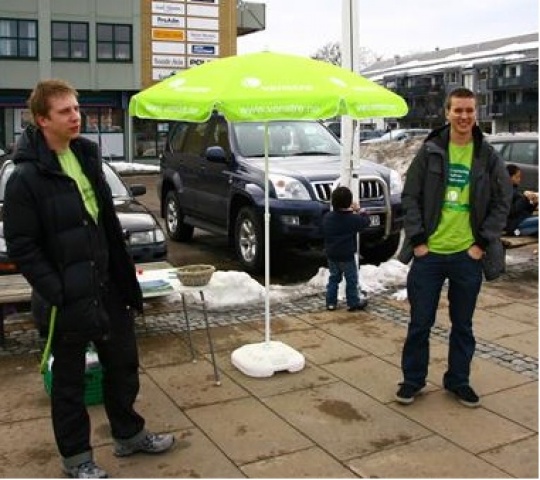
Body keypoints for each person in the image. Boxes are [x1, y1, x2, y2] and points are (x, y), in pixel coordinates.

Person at [3, 79, 174, 478]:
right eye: (65, 111)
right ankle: (78, 459)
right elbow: (21, 244)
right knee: (69, 385)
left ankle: (128, 435)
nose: (76, 116)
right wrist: (56, 290)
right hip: (66, 299)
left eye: (76, 108)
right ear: (43, 119)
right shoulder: (24, 177)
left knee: (123, 365)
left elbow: (106, 224)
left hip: (107, 286)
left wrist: (123, 277)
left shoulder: (86, 155)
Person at [395, 87, 512, 408]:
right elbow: (410, 197)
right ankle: (413, 380)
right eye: (457, 110)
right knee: (420, 322)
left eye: (469, 111)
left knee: (463, 324)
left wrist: (480, 243)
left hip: (466, 256)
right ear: (447, 113)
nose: (463, 117)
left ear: (477, 114)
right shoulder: (431, 149)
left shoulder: (486, 155)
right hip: (429, 255)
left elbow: (503, 201)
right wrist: (418, 240)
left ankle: (458, 380)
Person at [322, 185, 370, 312]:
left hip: (332, 254)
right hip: (347, 256)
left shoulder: (328, 217)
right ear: (349, 202)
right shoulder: (352, 219)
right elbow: (366, 221)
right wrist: (359, 209)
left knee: (333, 278)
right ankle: (353, 302)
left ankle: (330, 303)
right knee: (351, 279)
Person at [505, 164, 538, 236]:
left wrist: (533, 202)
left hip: (523, 221)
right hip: (515, 226)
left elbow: (526, 211)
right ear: (509, 177)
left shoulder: (516, 190)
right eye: (517, 177)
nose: (519, 179)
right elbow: (510, 211)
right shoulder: (504, 192)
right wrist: (525, 198)